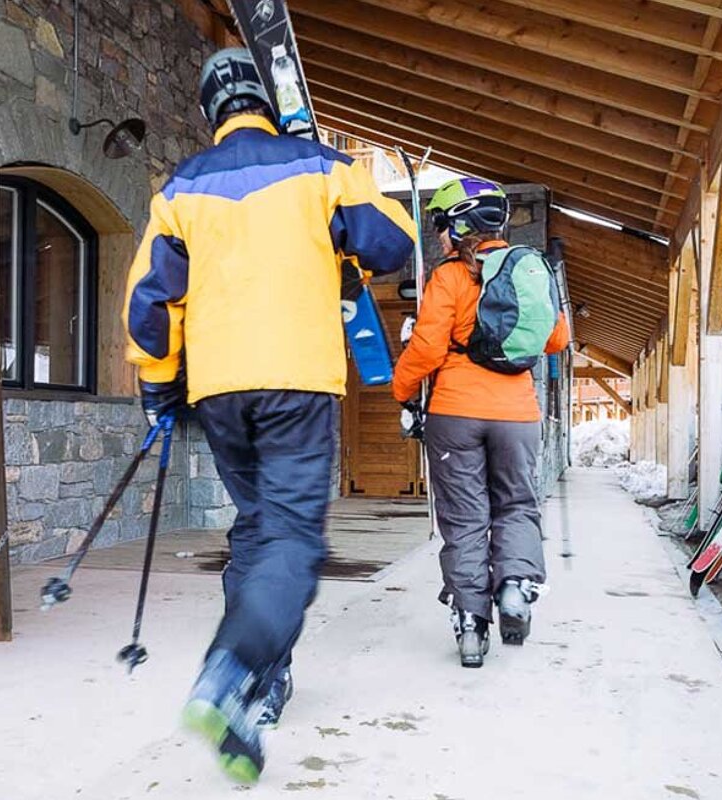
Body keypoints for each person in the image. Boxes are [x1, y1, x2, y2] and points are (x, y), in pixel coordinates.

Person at [123, 47, 415, 784]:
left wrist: (159, 386)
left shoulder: (181, 187)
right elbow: (392, 242)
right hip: (295, 383)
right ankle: (231, 671)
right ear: (266, 102)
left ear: (210, 113)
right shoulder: (320, 165)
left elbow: (148, 305)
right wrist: (341, 238)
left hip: (221, 391)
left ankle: (259, 691)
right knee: (293, 538)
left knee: (258, 526)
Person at [392, 178, 569, 668]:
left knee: (465, 519)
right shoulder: (530, 270)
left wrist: (401, 389)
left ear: (457, 225)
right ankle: (513, 586)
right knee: (515, 504)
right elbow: (557, 339)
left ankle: (471, 626)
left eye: (442, 227)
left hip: (455, 412)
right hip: (518, 414)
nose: (440, 237)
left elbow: (426, 348)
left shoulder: (448, 277)